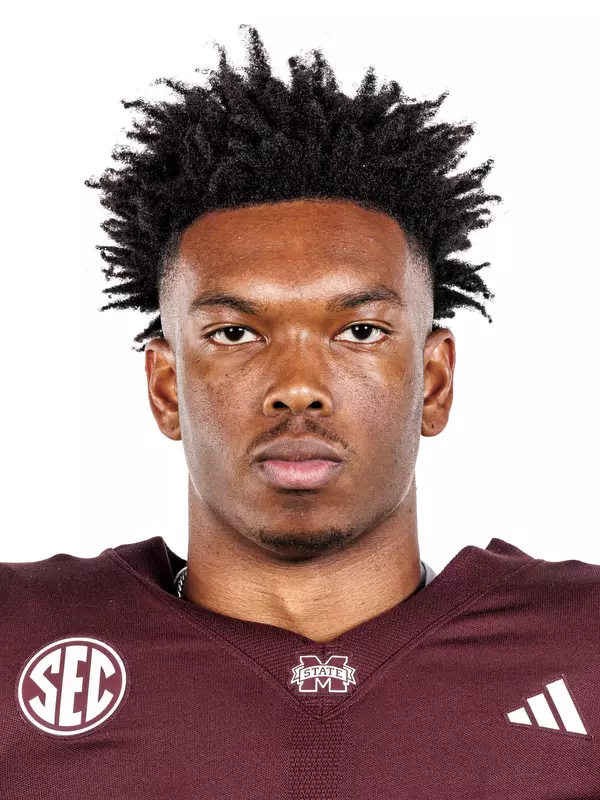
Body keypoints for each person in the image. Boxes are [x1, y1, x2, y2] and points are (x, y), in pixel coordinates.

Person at [1, 24, 598, 800]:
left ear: (436, 381)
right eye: (236, 332)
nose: (297, 387)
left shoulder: (584, 646)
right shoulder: (20, 641)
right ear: (166, 388)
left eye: (358, 331)